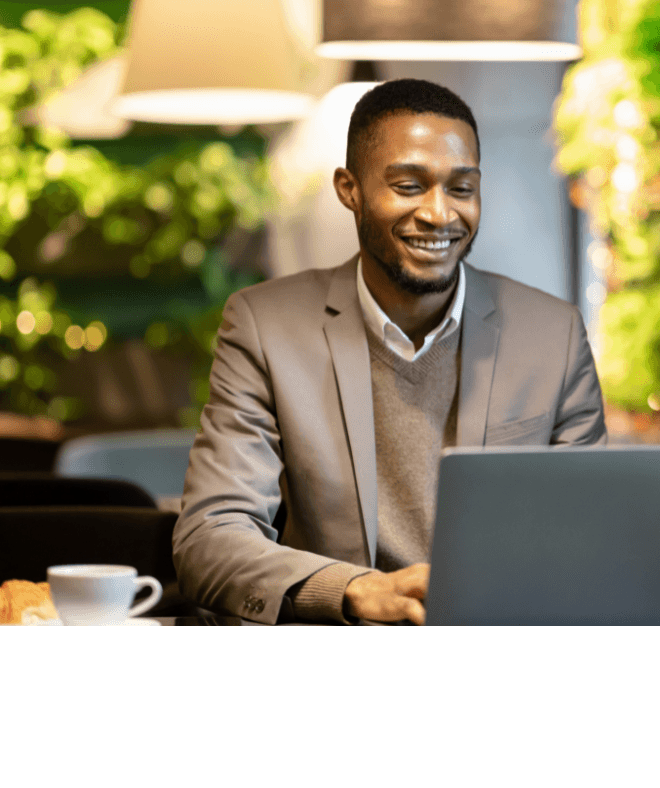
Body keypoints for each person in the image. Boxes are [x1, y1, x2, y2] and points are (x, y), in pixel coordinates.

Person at [173, 78, 607, 625]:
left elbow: (591, 537)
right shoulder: (266, 326)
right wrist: (353, 590)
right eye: (408, 186)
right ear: (349, 189)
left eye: (461, 188)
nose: (439, 214)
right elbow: (210, 536)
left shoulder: (554, 334)